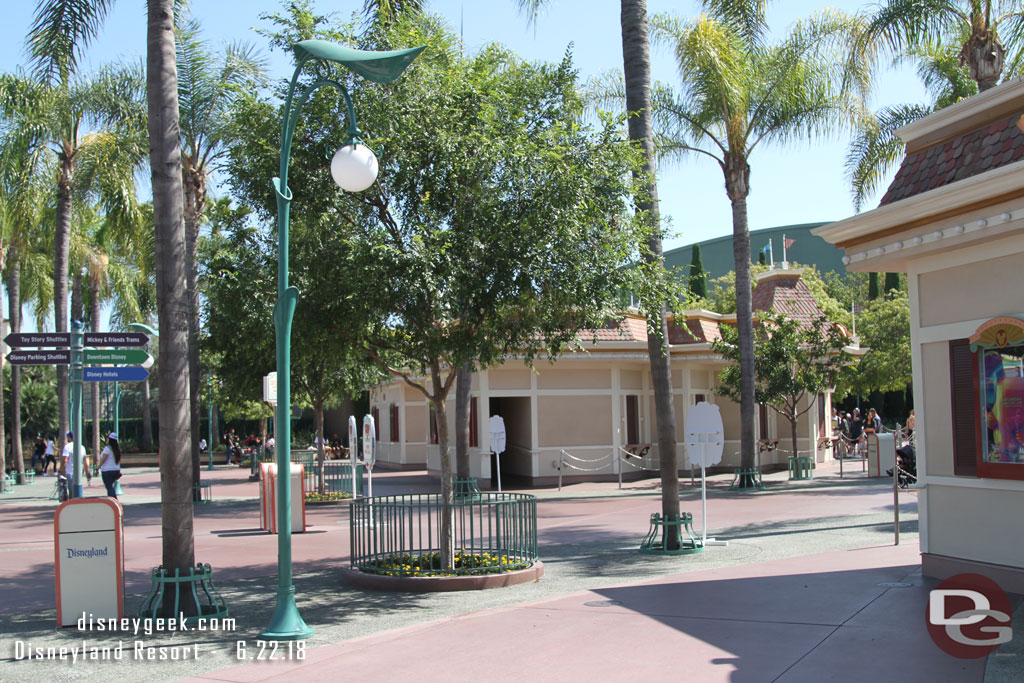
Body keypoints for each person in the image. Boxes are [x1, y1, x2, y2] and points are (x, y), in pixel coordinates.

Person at [97, 432, 122, 499]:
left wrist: (98, 467)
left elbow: (103, 459)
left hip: (107, 470)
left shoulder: (107, 448)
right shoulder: (117, 449)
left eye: (108, 438)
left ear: (110, 439)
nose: (106, 440)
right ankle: (113, 499)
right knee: (110, 486)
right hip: (116, 470)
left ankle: (113, 500)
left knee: (109, 487)